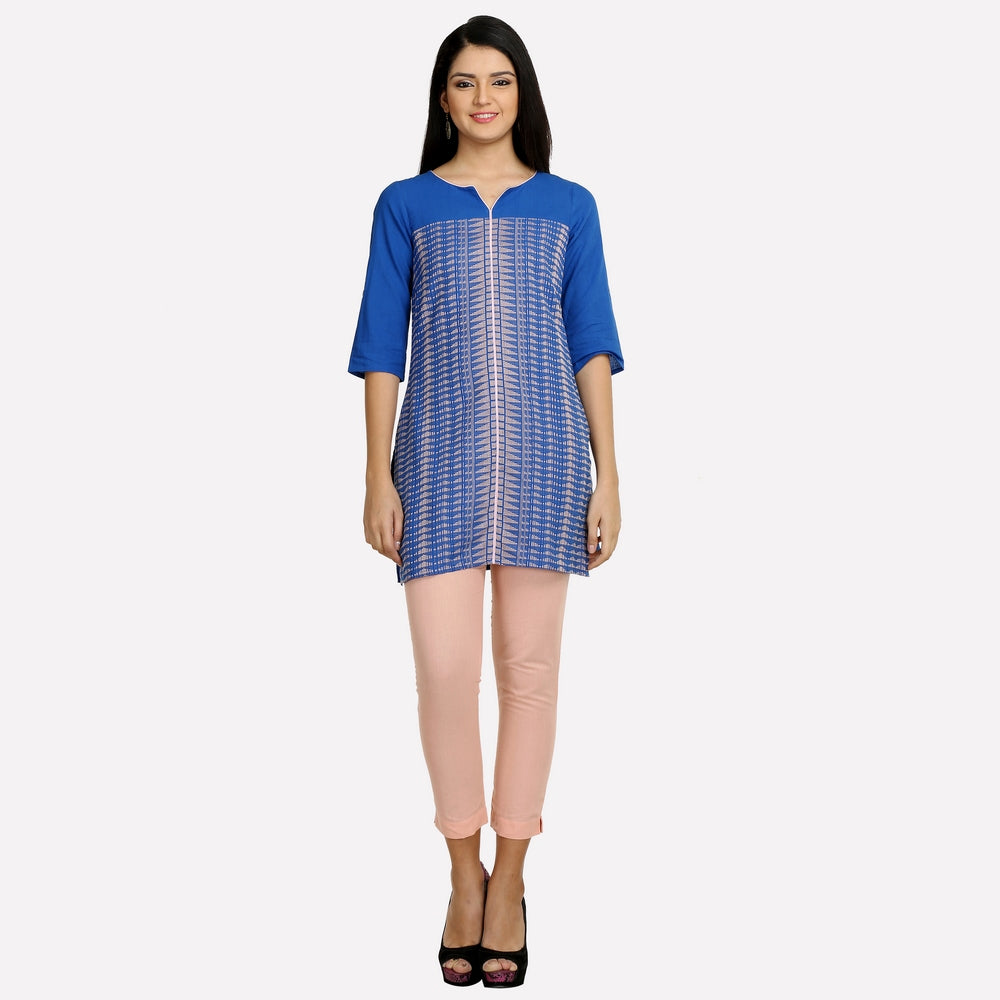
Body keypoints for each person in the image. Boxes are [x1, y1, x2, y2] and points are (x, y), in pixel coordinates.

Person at [348, 14, 624, 989]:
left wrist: (609, 473)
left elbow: (591, 341)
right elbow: (380, 345)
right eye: (465, 82)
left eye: (499, 80)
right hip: (435, 462)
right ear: (443, 99)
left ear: (522, 93)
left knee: (530, 676)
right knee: (443, 675)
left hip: (547, 461)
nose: (483, 98)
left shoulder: (569, 206)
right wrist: (375, 473)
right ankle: (461, 871)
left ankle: (510, 879)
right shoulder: (406, 205)